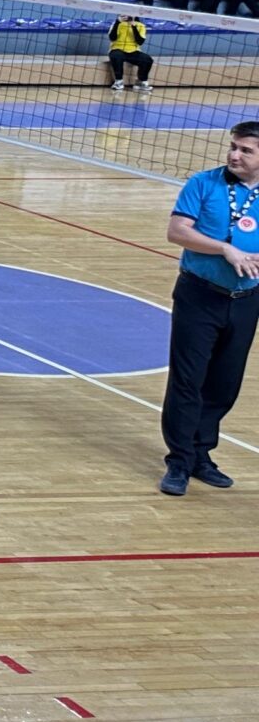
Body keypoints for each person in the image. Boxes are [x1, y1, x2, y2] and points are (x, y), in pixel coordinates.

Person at [159, 119, 259, 498]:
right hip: (199, 295)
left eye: (245, 150)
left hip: (247, 300)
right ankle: (179, 462)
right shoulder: (203, 183)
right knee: (188, 379)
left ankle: (202, 455)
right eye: (233, 146)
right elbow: (177, 232)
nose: (234, 154)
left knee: (224, 383)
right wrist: (224, 249)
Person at [107, 10, 152, 94]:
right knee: (117, 56)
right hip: (117, 48)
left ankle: (141, 81)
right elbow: (112, 38)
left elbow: (140, 42)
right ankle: (119, 81)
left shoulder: (141, 26)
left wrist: (133, 26)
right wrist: (117, 22)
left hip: (133, 51)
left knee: (147, 59)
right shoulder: (116, 24)